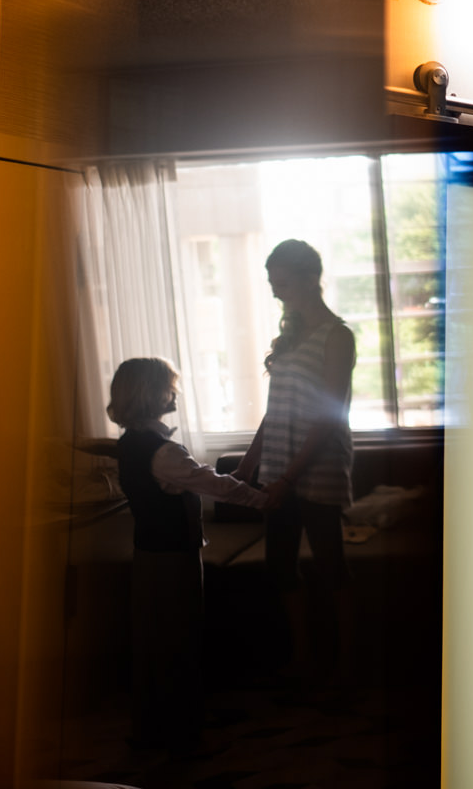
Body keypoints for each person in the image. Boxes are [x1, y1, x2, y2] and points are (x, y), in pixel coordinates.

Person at [108, 356, 269, 752]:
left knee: (155, 642)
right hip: (171, 558)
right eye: (168, 386)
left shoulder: (132, 443)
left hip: (149, 553)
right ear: (150, 393)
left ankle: (155, 725)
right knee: (177, 641)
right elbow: (218, 487)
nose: (175, 392)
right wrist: (267, 501)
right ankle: (180, 732)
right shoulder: (163, 453)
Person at [232, 239, 356, 683]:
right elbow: (277, 407)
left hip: (317, 467)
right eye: (271, 282)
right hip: (279, 467)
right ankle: (302, 660)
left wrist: (287, 477)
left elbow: (329, 415)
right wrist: (250, 463)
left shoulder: (337, 335)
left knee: (330, 568)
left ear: (308, 279)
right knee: (279, 567)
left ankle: (344, 669)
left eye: (280, 282)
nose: (274, 291)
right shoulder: (290, 338)